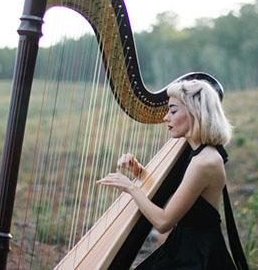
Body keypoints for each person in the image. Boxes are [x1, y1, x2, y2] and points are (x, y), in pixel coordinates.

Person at [96, 79, 248, 270]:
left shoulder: (205, 162)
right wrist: (138, 171)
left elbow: (163, 222)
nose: (166, 117)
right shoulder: (196, 149)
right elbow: (180, 187)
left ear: (195, 112)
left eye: (173, 111)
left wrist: (130, 187)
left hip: (198, 256)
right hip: (184, 245)